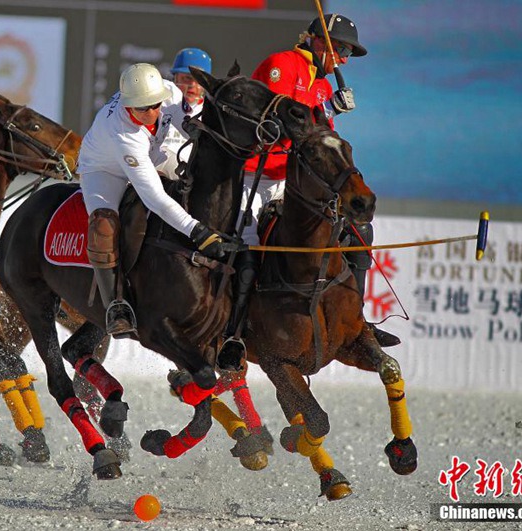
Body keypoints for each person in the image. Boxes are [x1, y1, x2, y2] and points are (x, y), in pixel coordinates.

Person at [216, 13, 398, 371]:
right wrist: (326, 110)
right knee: (249, 250)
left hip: (297, 182)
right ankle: (234, 334)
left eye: (347, 53)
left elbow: (319, 142)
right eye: (342, 49)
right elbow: (271, 122)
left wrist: (330, 112)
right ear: (318, 40)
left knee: (359, 231)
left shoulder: (323, 86)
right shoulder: (281, 65)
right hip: (260, 176)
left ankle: (358, 320)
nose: (344, 59)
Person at [77, 63, 230, 338]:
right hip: (103, 170)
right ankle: (115, 304)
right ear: (128, 107)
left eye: (156, 105)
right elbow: (154, 199)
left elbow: (188, 118)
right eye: (143, 108)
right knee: (103, 226)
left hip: (152, 152)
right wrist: (198, 231)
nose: (152, 112)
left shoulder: (169, 92)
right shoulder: (124, 134)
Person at [158, 47, 212, 180]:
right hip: (153, 169)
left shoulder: (212, 114)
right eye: (187, 78)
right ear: (174, 77)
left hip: (191, 181)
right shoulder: (158, 105)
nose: (193, 84)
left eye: (199, 80)